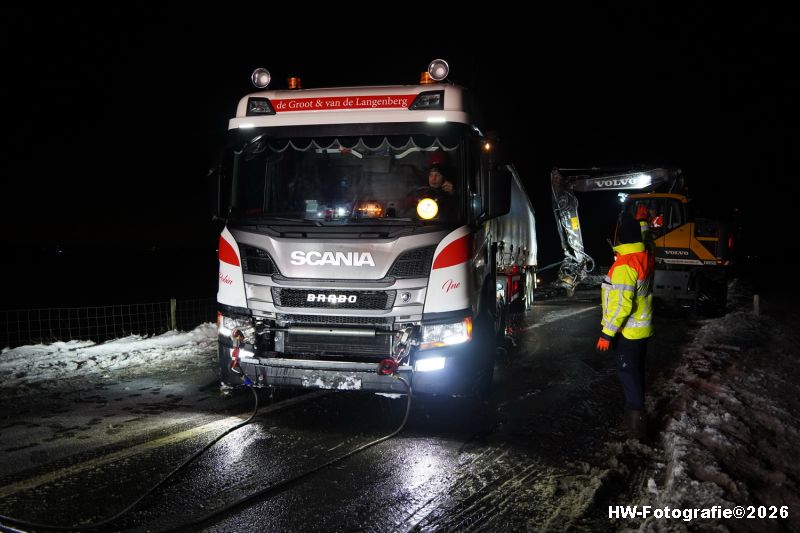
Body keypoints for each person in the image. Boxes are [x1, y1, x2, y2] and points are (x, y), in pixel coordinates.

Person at [596, 213, 654, 440]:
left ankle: (636, 424)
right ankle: (635, 414)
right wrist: (644, 224)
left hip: (627, 331)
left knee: (627, 372)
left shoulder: (624, 265)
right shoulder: (645, 255)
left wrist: (606, 334)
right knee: (636, 371)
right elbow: (648, 240)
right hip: (643, 329)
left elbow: (621, 305)